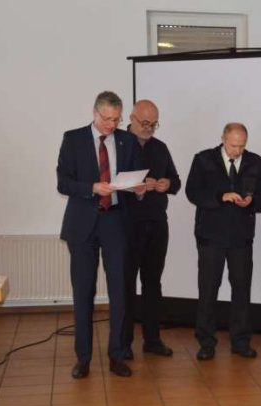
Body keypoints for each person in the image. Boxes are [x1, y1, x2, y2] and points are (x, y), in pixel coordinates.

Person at [57, 91, 143, 379]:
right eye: (106, 119)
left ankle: (117, 354)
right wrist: (92, 187)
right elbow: (63, 182)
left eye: (116, 119)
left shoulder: (127, 140)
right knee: (84, 291)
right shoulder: (73, 139)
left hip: (116, 222)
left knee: (119, 290)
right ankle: (83, 358)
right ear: (95, 113)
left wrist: (137, 186)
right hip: (82, 223)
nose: (110, 124)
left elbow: (132, 177)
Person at [185, 123, 261, 361]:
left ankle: (241, 341)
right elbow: (192, 191)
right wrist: (219, 197)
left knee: (241, 290)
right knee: (208, 291)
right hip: (210, 236)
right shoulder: (203, 159)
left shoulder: (257, 162)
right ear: (223, 139)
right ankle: (206, 342)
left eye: (242, 146)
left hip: (241, 237)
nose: (238, 150)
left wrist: (252, 202)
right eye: (234, 145)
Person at [123, 100, 181, 359]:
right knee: (124, 285)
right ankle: (122, 344)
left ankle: (152, 339)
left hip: (157, 223)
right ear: (132, 118)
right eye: (144, 123)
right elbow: (108, 183)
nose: (149, 128)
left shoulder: (160, 148)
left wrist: (167, 183)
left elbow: (177, 181)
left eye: (154, 124)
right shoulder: (117, 144)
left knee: (152, 283)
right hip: (126, 225)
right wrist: (135, 185)